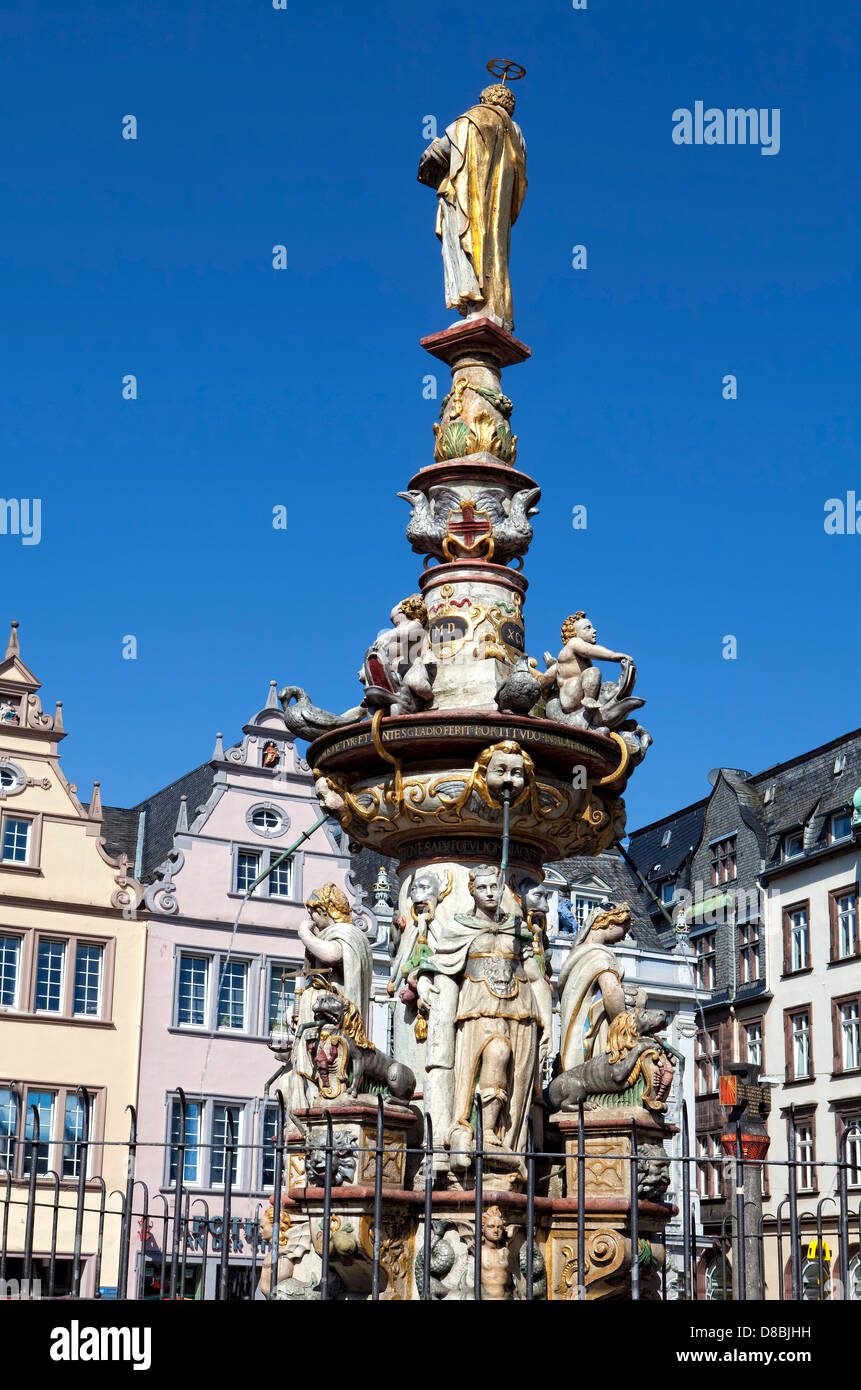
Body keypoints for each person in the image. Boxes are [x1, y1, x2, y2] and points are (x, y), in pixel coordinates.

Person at [420, 865, 546, 1169]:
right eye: (483, 888)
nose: (490, 893)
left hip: (521, 1009)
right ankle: (480, 1129)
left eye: (495, 887)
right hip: (478, 1007)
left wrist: (548, 1026)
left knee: (517, 1075)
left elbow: (536, 976)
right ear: (472, 891)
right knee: (497, 1052)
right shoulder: (460, 927)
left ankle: (503, 1138)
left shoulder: (518, 928)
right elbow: (439, 962)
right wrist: (424, 978)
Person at [417, 84, 527, 332]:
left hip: (467, 202)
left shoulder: (475, 117)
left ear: (485, 98)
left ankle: (477, 306)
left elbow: (439, 152)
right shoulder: (517, 134)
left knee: (469, 245)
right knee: (495, 255)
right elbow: (521, 182)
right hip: (497, 212)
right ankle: (496, 309)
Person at [290, 884, 372, 1110]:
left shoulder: (347, 934)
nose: (312, 919)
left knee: (326, 1064)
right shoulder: (330, 936)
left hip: (335, 1021)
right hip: (320, 1017)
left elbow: (332, 954)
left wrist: (304, 934)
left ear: (326, 910)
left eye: (314, 914)